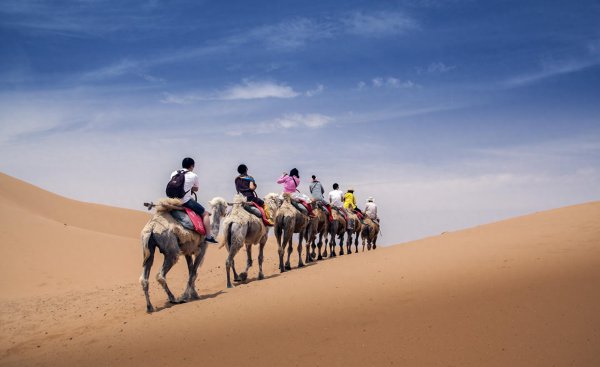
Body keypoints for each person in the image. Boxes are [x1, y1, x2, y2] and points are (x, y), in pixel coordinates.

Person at [171, 157, 218, 243]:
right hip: (185, 201)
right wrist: (190, 188)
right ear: (192, 166)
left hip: (172, 199)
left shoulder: (174, 173)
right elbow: (196, 189)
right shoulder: (193, 175)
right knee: (205, 213)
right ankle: (208, 237)